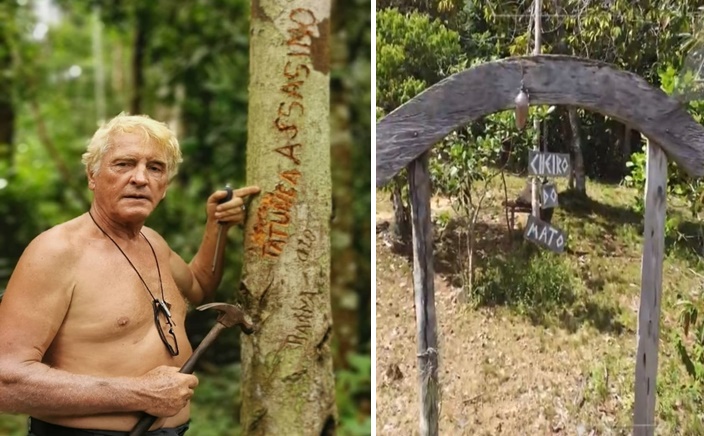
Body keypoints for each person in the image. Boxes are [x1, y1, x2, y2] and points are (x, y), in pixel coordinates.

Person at [0, 113, 260, 435]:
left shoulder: (153, 243)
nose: (140, 178)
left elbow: (199, 287)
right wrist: (138, 393)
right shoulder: (56, 252)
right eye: (124, 164)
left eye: (155, 168)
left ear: (164, 186)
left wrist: (217, 226)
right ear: (92, 177)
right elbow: (5, 380)